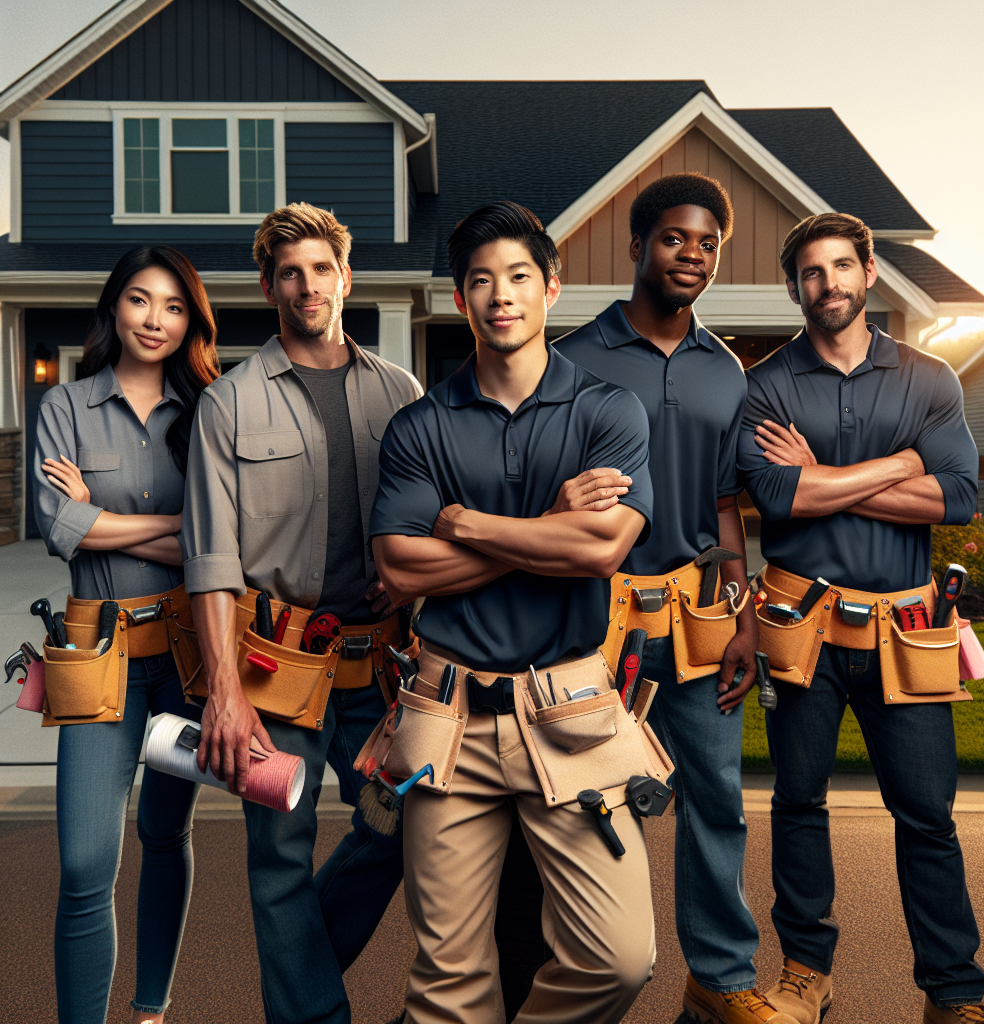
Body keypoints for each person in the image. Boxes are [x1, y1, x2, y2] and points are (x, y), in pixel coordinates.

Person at [371, 201, 664, 1024]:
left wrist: (461, 523)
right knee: (448, 983)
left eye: (519, 278)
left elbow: (601, 549)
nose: (501, 296)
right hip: (445, 717)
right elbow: (399, 566)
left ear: (552, 290)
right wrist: (548, 523)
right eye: (480, 282)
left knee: (620, 958)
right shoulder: (420, 425)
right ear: (461, 301)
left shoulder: (608, 412)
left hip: (571, 712)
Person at [738, 213, 984, 1024]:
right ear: (793, 288)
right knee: (798, 804)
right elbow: (780, 495)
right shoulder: (767, 384)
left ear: (870, 272)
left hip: (905, 633)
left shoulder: (928, 378)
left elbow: (957, 496)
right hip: (799, 629)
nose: (829, 285)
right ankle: (807, 973)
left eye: (842, 267)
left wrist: (832, 475)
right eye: (812, 273)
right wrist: (901, 464)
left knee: (928, 817)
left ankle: (953, 993)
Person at [557, 173, 797, 1024]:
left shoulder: (726, 370)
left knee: (717, 797)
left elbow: (727, 509)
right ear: (637, 247)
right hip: (597, 621)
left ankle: (721, 980)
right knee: (585, 801)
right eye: (674, 239)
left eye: (708, 244)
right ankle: (582, 979)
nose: (691, 255)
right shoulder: (574, 361)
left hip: (699, 615)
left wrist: (741, 620)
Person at [181, 202, 421, 1024]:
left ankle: (299, 964)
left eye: (322, 269)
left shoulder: (402, 392)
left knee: (406, 824)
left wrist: (409, 576)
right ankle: (312, 1016)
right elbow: (209, 558)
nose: (308, 285)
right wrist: (223, 689)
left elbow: (423, 523)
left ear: (345, 278)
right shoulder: (230, 404)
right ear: (268, 286)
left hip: (381, 668)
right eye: (291, 272)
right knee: (277, 856)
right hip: (272, 666)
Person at [33, 245, 218, 1024]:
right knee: (84, 865)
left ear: (191, 322)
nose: (156, 319)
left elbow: (216, 541)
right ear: (115, 306)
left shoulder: (211, 407)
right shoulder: (65, 407)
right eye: (141, 300)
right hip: (98, 662)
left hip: (185, 659)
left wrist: (101, 523)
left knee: (165, 831)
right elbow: (57, 527)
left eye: (175, 307)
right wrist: (174, 526)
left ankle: (150, 1008)